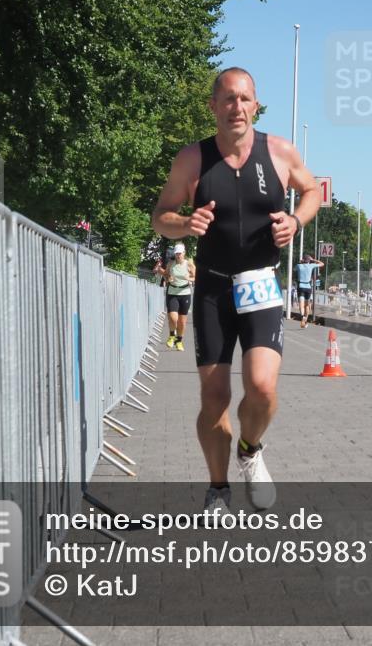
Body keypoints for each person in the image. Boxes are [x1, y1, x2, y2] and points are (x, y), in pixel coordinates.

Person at [151, 67, 321, 516]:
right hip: (211, 287)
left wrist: (296, 220)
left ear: (256, 104)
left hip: (261, 282)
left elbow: (313, 191)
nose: (237, 108)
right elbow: (160, 215)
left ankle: (250, 449)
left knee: (262, 388)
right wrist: (185, 224)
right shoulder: (192, 159)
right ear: (213, 106)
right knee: (214, 398)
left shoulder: (279, 151)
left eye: (245, 99)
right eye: (228, 99)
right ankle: (218, 488)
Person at [164, 243, 195, 351]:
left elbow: (195, 277)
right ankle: (172, 335)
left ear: (184, 253)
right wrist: (168, 278)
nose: (178, 255)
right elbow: (166, 275)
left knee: (182, 322)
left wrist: (189, 278)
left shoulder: (189, 264)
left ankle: (179, 341)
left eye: (180, 253)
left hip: (185, 293)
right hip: (172, 292)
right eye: (176, 253)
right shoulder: (171, 263)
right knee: (173, 318)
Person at [295, 254, 324, 328]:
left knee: (301, 304)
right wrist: (313, 260)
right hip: (308, 287)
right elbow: (322, 264)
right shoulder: (311, 265)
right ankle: (306, 320)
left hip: (300, 286)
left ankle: (302, 317)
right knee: (307, 305)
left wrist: (300, 262)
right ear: (309, 260)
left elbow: (295, 269)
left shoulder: (299, 266)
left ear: (303, 260)